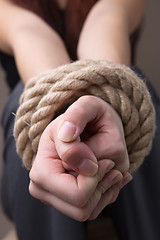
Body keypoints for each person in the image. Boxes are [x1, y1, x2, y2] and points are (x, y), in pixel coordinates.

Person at [0, 0, 160, 239]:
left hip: (124, 144)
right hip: (26, 154)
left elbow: (108, 20)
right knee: (24, 101)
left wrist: (103, 106)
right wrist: (60, 121)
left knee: (133, 91)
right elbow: (28, 34)